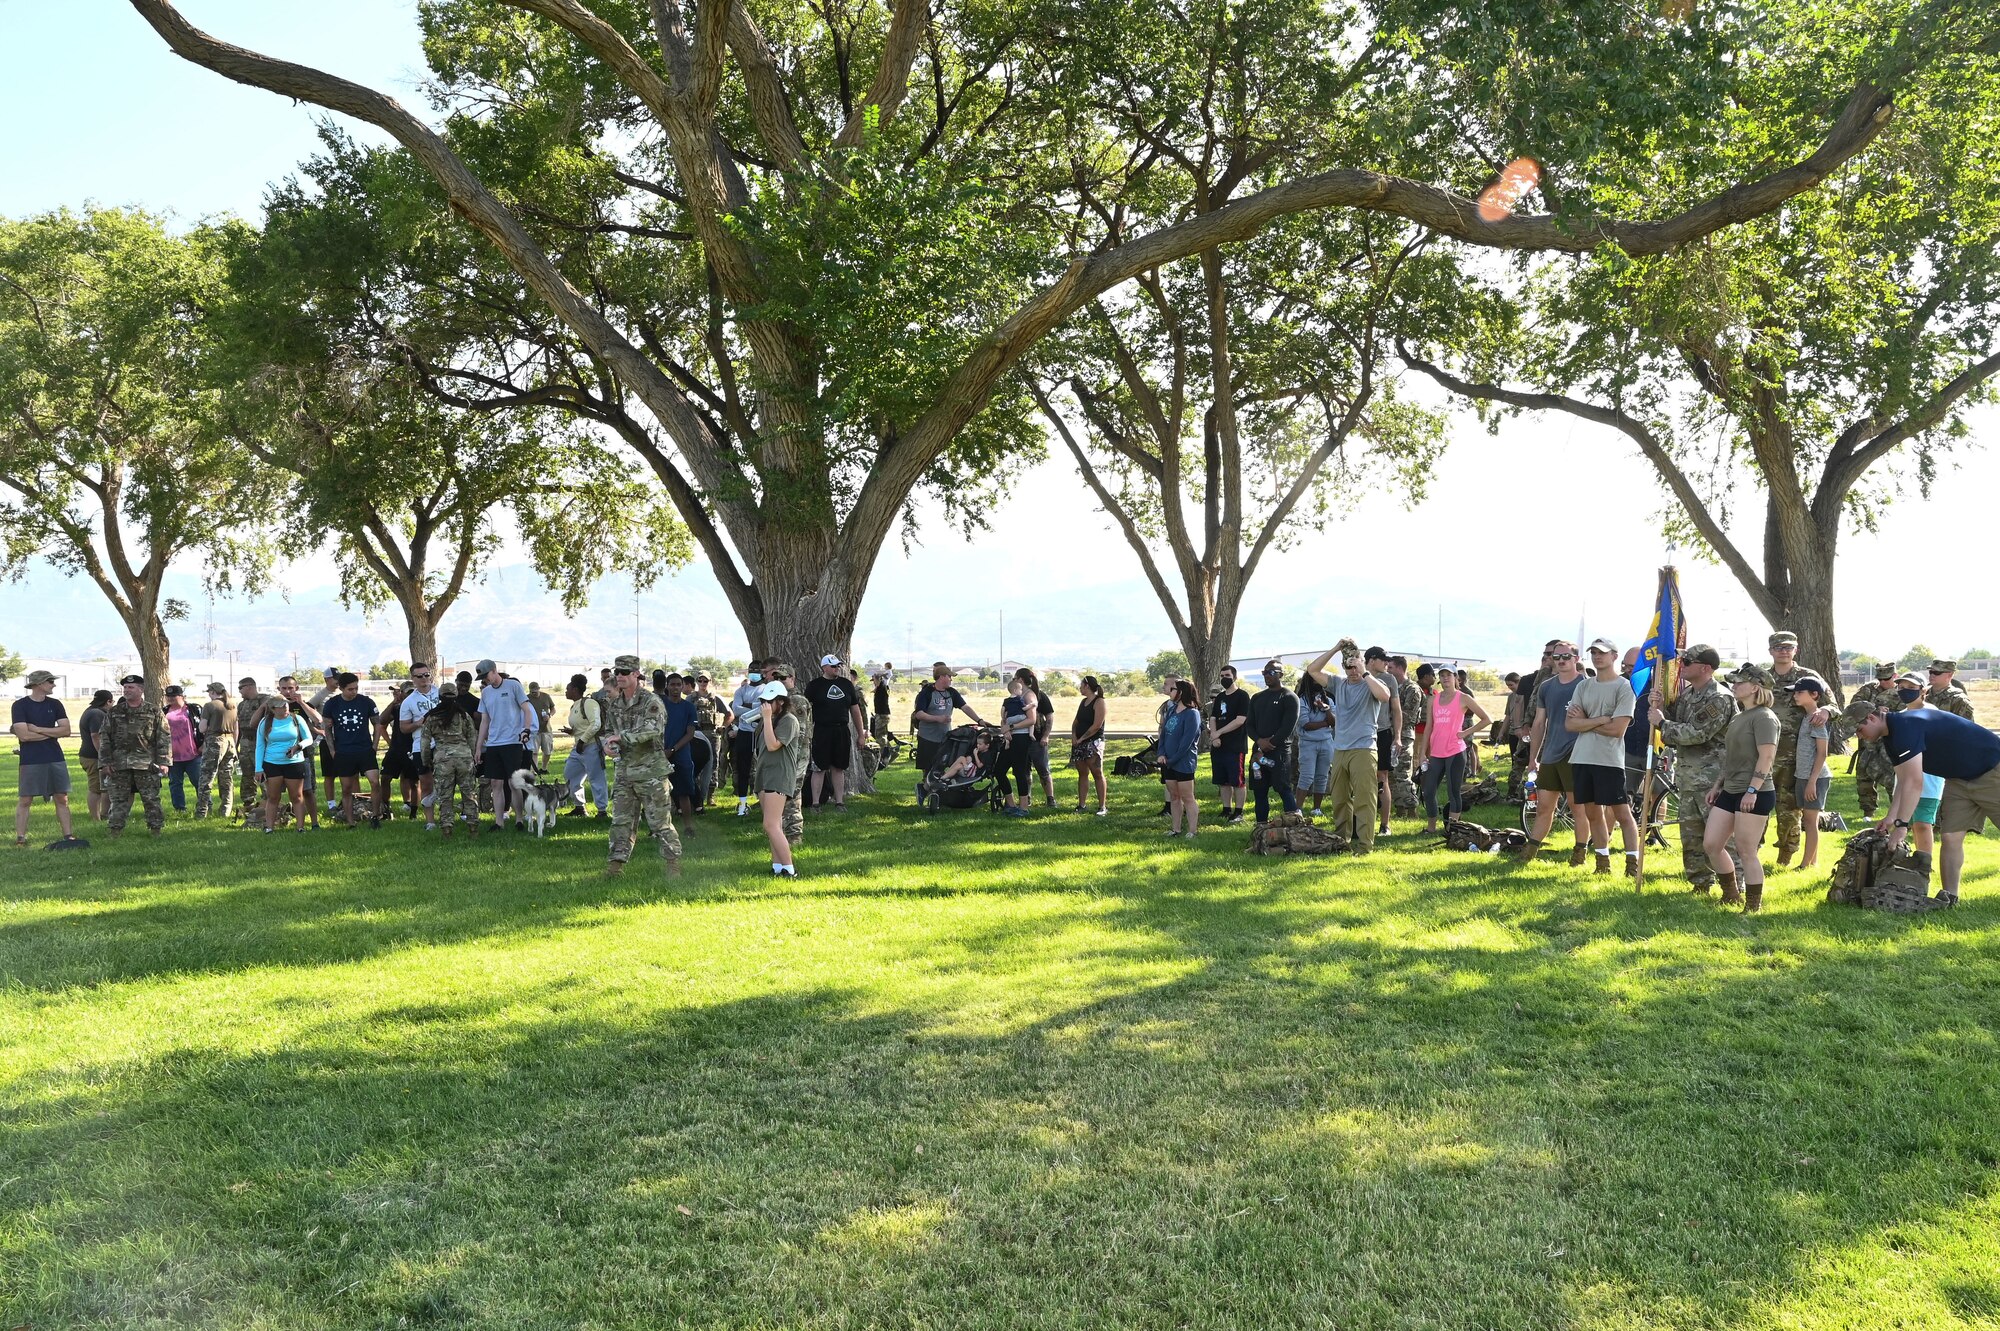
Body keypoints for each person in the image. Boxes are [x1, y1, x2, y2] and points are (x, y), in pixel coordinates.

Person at [1857, 694, 2000, 906]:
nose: (1859, 736)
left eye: (1859, 730)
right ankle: (1950, 898)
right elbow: (1904, 780)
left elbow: (1916, 782)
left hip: (1991, 770)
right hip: (1958, 779)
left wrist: (1902, 826)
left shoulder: (1906, 726)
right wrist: (1891, 817)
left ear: (1871, 718)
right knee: (1951, 836)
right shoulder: (1891, 737)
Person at [1649, 644, 1735, 895]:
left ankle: (1733, 884)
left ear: (1705, 668)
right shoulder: (1688, 695)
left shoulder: (1718, 698)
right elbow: (1674, 725)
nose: (1681, 666)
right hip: (1688, 775)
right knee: (1691, 834)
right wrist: (1661, 707)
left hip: (1713, 778)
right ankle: (1700, 883)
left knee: (1719, 837)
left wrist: (1662, 722)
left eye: (1687, 662)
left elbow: (1697, 733)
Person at [1702, 664, 1781, 911]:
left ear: (1755, 687)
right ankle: (1730, 894)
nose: (1734, 686)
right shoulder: (1739, 716)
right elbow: (1731, 756)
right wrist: (1718, 785)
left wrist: (1752, 790)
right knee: (1712, 845)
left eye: (1739, 682)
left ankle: (1753, 906)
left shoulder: (1765, 717)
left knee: (1747, 851)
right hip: (1731, 790)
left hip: (1755, 793)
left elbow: (1766, 758)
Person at [1564, 638, 1643, 877]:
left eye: (1603, 653)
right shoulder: (1583, 686)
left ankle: (1632, 863)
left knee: (1621, 813)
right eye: (1594, 652)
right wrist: (1599, 719)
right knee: (1592, 813)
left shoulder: (1624, 687)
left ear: (1614, 657)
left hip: (1609, 760)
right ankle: (1602, 861)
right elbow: (1570, 724)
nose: (1598, 657)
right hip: (1582, 758)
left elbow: (1617, 729)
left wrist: (1585, 721)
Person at [1304, 639, 1391, 853]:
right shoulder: (1338, 683)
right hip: (1340, 749)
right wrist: (1334, 649)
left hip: (1363, 749)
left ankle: (1364, 846)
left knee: (1364, 799)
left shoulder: (1372, 682)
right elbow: (1312, 670)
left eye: (1356, 665)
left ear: (1362, 663)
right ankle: (1342, 842)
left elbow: (1385, 696)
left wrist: (1365, 673)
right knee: (1340, 799)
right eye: (1348, 666)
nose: (1352, 671)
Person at [603, 653, 682, 878]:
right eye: (616, 672)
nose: (619, 676)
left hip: (651, 773)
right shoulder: (615, 704)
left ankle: (673, 865)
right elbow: (609, 731)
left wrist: (621, 737)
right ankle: (615, 867)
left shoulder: (651, 702)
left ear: (636, 674)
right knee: (620, 822)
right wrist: (608, 746)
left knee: (659, 823)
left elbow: (652, 730)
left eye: (624, 672)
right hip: (625, 772)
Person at [1763, 630, 1832, 868]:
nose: (1783, 651)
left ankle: (1786, 855)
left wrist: (1826, 711)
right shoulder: (1763, 678)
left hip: (1796, 758)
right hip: (1764, 753)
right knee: (1757, 805)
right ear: (1771, 650)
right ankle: (1750, 850)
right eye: (1779, 647)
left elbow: (1833, 705)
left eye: (1788, 647)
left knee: (1789, 809)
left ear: (1796, 650)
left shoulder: (1807, 677)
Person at [1519, 642, 1589, 865]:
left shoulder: (1586, 685)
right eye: (1555, 656)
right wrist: (1533, 758)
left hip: (1576, 754)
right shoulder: (1546, 687)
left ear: (1576, 659)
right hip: (1550, 755)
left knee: (1578, 808)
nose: (1560, 660)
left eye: (1566, 656)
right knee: (1543, 808)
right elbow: (1539, 724)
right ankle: (1529, 853)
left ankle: (1579, 855)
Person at [1416, 668, 1490, 834]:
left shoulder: (1463, 698)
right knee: (1428, 791)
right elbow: (1428, 727)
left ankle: (1453, 829)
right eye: (1442, 675)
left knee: (1453, 791)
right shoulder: (1432, 699)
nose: (1445, 678)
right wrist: (1422, 754)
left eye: (1448, 675)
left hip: (1455, 751)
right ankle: (1431, 828)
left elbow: (1487, 719)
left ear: (1455, 677)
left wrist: (1465, 733)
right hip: (1436, 752)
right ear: (1439, 679)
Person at [12, 669, 77, 848]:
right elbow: (24, 736)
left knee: (62, 798)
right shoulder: (20, 706)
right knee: (25, 800)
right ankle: (20, 838)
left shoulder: (55, 704)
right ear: (39, 684)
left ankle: (68, 836)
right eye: (50, 682)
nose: (53, 684)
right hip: (30, 759)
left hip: (55, 757)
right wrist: (52, 733)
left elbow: (66, 730)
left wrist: (38, 729)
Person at [473, 659, 536, 831]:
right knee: (495, 783)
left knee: (513, 783)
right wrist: (479, 747)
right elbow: (485, 721)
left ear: (494, 671)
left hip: (512, 742)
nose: (485, 680)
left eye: (486, 676)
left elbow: (527, 710)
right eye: (482, 678)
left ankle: (519, 819)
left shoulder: (513, 686)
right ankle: (499, 822)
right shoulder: (485, 693)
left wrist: (526, 730)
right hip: (493, 743)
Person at [321, 672, 385, 829]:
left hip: (365, 749)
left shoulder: (367, 702)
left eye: (356, 688)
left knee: (375, 783)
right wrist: (332, 750)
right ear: (341, 688)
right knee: (347, 788)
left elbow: (377, 723)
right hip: (343, 751)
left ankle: (376, 816)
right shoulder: (332, 704)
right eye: (350, 689)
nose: (354, 692)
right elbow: (327, 728)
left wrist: (375, 745)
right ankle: (350, 821)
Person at [803, 655, 866, 811]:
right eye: (833, 666)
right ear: (824, 667)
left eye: (838, 666)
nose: (836, 668)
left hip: (841, 730)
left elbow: (855, 710)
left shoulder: (846, 685)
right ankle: (815, 803)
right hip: (821, 730)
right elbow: (804, 709)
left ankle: (839, 802)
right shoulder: (814, 686)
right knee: (819, 767)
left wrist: (861, 733)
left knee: (839, 767)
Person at [756, 677, 802, 877]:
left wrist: (766, 719)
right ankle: (778, 867)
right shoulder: (772, 720)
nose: (765, 705)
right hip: (765, 774)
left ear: (781, 701)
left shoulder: (789, 721)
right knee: (773, 824)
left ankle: (790, 869)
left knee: (771, 824)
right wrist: (766, 719)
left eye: (770, 701)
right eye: (763, 701)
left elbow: (773, 745)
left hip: (779, 775)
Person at [421, 682, 481, 836]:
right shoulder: (464, 715)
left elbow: (425, 743)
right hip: (464, 758)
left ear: (440, 696)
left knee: (445, 796)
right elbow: (472, 737)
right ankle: (473, 827)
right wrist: (473, 756)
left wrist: (426, 761)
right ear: (456, 696)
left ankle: (447, 828)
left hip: (443, 760)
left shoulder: (432, 717)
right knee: (469, 794)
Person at [1246, 659, 1301, 825]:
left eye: (1271, 672)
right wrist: (1259, 742)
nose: (1267, 676)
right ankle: (1260, 826)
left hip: (1278, 754)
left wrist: (1271, 743)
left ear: (1281, 675)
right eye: (1265, 673)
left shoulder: (1289, 697)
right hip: (1258, 755)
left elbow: (1287, 727)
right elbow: (1249, 725)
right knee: (1260, 790)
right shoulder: (1257, 698)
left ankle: (1294, 825)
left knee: (1283, 788)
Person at [253, 696, 316, 835]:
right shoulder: (265, 722)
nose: (286, 707)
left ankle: (300, 827)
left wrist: (298, 746)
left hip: (294, 763)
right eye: (281, 705)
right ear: (273, 709)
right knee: (273, 797)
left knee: (297, 796)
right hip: (272, 763)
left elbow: (309, 739)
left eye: (286, 704)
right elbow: (260, 746)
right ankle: (269, 827)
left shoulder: (296, 719)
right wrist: (258, 768)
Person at [911, 662, 987, 776]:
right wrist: (937, 718)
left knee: (943, 767)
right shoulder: (926, 693)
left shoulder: (952, 692)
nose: (951, 679)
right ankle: (926, 789)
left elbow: (965, 707)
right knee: (928, 770)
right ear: (942, 677)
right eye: (949, 676)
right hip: (928, 738)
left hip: (945, 738)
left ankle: (941, 791)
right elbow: (919, 714)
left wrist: (979, 720)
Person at [271, 676, 326, 829]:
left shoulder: (303, 705)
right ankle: (272, 823)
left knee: (307, 790)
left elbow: (318, 719)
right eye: (284, 688)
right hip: (278, 756)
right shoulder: (274, 707)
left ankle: (314, 823)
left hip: (303, 753)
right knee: (274, 793)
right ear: (279, 689)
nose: (287, 691)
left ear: (297, 688)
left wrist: (301, 702)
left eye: (291, 688)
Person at [1790, 676, 1833, 870]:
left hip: (1815, 777)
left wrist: (1812, 781)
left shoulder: (1817, 719)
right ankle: (1812, 861)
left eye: (1800, 692)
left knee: (1810, 821)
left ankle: (1805, 864)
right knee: (1807, 819)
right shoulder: (1807, 717)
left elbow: (1822, 752)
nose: (1795, 696)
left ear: (1814, 694)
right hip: (1803, 775)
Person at [1849, 661, 1900, 817]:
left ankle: (1899, 812)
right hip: (1868, 743)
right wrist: (1874, 710)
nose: (1883, 682)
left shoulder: (1903, 691)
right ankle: (1868, 812)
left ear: (1895, 676)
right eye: (1880, 679)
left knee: (1893, 778)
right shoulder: (1868, 690)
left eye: (1887, 678)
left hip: (1890, 744)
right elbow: (1854, 709)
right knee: (1864, 776)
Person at [1363, 648, 1404, 838]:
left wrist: (1397, 736)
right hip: (1361, 734)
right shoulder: (1357, 676)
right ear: (1372, 660)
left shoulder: (1389, 679)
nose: (1386, 664)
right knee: (1360, 780)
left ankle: (1385, 824)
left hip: (1382, 733)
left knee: (1382, 777)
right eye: (1383, 660)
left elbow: (1396, 709)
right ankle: (1362, 823)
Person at [398, 664, 441, 829]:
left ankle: (446, 816)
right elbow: (403, 728)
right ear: (413, 679)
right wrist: (418, 723)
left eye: (426, 675)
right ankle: (430, 821)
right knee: (426, 782)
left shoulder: (441, 694)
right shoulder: (409, 701)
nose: (424, 679)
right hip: (420, 745)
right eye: (419, 676)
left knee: (446, 781)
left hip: (443, 744)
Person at [561, 673, 608, 818]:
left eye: (568, 688)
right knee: (570, 774)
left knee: (596, 778)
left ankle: (602, 811)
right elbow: (584, 725)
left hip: (591, 746)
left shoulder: (589, 703)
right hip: (579, 748)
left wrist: (582, 740)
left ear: (575, 689)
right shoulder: (575, 706)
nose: (566, 691)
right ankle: (579, 807)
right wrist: (573, 732)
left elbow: (596, 724)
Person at [1160, 679, 1202, 839]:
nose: (1170, 691)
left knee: (1187, 797)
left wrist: (1173, 759)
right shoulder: (1171, 711)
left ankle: (1192, 830)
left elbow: (1187, 742)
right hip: (1168, 761)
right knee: (1174, 796)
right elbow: (1163, 735)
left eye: (1173, 689)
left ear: (1181, 692)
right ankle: (1175, 829)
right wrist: (1161, 754)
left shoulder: (1192, 714)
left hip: (1183, 763)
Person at [1209, 665, 1251, 824]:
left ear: (1234, 676)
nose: (1224, 678)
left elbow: (1240, 720)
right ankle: (1226, 809)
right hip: (1219, 745)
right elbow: (1213, 718)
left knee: (1237, 781)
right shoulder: (1220, 697)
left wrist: (1220, 733)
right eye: (1221, 676)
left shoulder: (1242, 696)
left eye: (1227, 675)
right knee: (1222, 780)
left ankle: (1238, 811)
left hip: (1235, 746)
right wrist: (1214, 736)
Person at [997, 674, 1039, 818]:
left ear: (1020, 680)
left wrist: (1011, 727)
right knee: (999, 769)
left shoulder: (1028, 696)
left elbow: (1031, 720)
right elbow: (1004, 716)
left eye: (1015, 677)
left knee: (1019, 771)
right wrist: (1005, 729)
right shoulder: (1010, 699)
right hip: (1010, 736)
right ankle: (1010, 804)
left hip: (1021, 738)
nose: (1013, 679)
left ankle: (1023, 807)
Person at [1295, 670, 1335, 819]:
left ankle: (1316, 808)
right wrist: (1326, 723)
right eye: (1315, 680)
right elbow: (1306, 724)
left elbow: (1335, 722)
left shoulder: (1329, 701)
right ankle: (1298, 808)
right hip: (1308, 744)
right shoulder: (1302, 701)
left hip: (1326, 743)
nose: (1318, 684)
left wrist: (1326, 709)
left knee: (1322, 776)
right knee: (1306, 776)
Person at [661, 672, 700, 824]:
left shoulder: (688, 707)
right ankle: (658, 828)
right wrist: (662, 751)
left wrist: (673, 750)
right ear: (667, 686)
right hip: (661, 753)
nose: (676, 687)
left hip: (681, 753)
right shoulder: (660, 706)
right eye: (672, 684)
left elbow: (690, 733)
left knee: (684, 791)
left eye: (679, 684)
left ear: (683, 686)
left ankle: (688, 825)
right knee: (659, 793)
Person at [728, 662, 766, 816]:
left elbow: (762, 709)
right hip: (744, 733)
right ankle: (742, 805)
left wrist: (747, 706)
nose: (754, 673)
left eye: (757, 670)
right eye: (752, 670)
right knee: (743, 768)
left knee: (762, 768)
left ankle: (764, 802)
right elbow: (736, 710)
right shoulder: (740, 690)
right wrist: (753, 707)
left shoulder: (765, 689)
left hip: (760, 732)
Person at [1388, 656, 1424, 815]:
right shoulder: (1392, 686)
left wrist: (1390, 713)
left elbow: (1409, 715)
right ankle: (1400, 808)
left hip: (1404, 735)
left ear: (1400, 668)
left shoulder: (1412, 689)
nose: (1387, 670)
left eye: (1391, 667)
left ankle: (1411, 808)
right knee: (1391, 774)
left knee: (1402, 772)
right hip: (1390, 733)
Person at [196, 681, 237, 819]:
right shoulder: (232, 705)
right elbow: (236, 728)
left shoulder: (210, 706)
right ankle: (226, 809)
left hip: (215, 741)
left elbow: (202, 728)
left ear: (212, 692)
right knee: (226, 777)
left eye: (209, 692)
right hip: (230, 741)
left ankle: (202, 812)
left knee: (206, 777)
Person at [1069, 675, 1109, 815]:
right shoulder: (1083, 702)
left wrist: (1082, 739)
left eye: (1081, 685)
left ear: (1087, 686)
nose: (1080, 688)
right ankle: (1082, 804)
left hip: (1094, 742)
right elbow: (1076, 722)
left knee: (1097, 772)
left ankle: (1102, 806)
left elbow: (1096, 726)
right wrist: (1074, 736)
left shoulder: (1099, 702)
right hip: (1079, 742)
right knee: (1082, 773)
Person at [162, 685, 202, 814]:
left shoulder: (194, 709)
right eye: (168, 696)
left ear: (182, 696)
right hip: (173, 755)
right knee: (175, 783)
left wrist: (203, 744)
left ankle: (205, 806)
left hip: (193, 754)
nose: (170, 699)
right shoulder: (163, 712)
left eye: (174, 696)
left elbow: (204, 727)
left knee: (199, 781)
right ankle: (180, 809)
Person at [234, 678, 267, 817]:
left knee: (263, 774)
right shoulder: (241, 705)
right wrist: (236, 746)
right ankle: (248, 803)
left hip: (259, 742)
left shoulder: (264, 700)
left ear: (248, 687)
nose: (239, 691)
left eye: (240, 688)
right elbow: (239, 726)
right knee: (247, 775)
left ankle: (268, 802)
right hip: (245, 742)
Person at [79, 688, 112, 822]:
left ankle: (104, 814)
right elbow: (96, 736)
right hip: (93, 757)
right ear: (108, 701)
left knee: (104, 787)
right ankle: (95, 818)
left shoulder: (90, 711)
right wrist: (103, 756)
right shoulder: (96, 714)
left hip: (92, 756)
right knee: (96, 789)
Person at [1027, 669, 1057, 807]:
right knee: (1024, 771)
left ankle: (1050, 799)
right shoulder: (1017, 697)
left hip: (1038, 740)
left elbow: (1049, 717)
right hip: (1022, 740)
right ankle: (1026, 797)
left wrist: (1045, 736)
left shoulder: (1040, 696)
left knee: (1043, 770)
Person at [1155, 670, 1182, 816]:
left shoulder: (1186, 705)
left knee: (1182, 779)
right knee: (1167, 777)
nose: (1163, 687)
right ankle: (1168, 806)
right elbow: (1162, 725)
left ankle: (1182, 806)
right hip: (1166, 747)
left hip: (1180, 749)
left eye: (1166, 684)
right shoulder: (1166, 705)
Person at [527, 681, 557, 771]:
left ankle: (544, 769)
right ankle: (534, 770)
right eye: (532, 692)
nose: (534, 693)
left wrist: (549, 715)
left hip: (546, 729)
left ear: (539, 689)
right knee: (534, 752)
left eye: (535, 691)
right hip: (534, 730)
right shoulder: (527, 698)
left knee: (547, 752)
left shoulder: (546, 696)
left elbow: (553, 709)